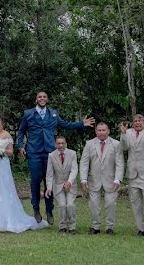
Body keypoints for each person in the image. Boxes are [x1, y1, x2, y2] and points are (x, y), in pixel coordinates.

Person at [16, 91, 95, 223]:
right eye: (39, 97)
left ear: (47, 100)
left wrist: (81, 123)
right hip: (34, 152)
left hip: (50, 153)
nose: (42, 98)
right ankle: (36, 209)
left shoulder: (53, 113)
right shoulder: (28, 113)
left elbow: (66, 125)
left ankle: (49, 210)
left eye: (44, 97)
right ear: (36, 99)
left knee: (49, 182)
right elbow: (21, 131)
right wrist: (20, 146)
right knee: (35, 181)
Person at [79, 122, 123, 235]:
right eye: (99, 130)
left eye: (104, 130)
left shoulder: (116, 144)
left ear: (108, 131)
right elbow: (84, 162)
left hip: (111, 180)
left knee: (110, 204)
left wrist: (118, 179)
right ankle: (95, 226)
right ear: (96, 131)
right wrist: (83, 179)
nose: (102, 132)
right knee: (94, 204)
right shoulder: (89, 144)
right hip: (94, 179)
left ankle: (109, 227)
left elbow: (120, 163)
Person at [119, 115, 144, 239]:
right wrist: (123, 134)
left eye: (140, 120)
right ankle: (142, 228)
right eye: (135, 121)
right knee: (135, 202)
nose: (137, 123)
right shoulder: (128, 132)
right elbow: (124, 147)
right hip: (132, 173)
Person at [44, 136, 78, 234]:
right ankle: (62, 226)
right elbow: (49, 174)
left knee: (70, 205)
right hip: (58, 185)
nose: (61, 145)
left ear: (66, 144)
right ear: (55, 145)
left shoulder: (72, 154)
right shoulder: (51, 155)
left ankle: (72, 227)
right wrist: (49, 188)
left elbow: (74, 170)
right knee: (62, 205)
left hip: (70, 185)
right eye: (58, 143)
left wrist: (69, 182)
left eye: (62, 143)